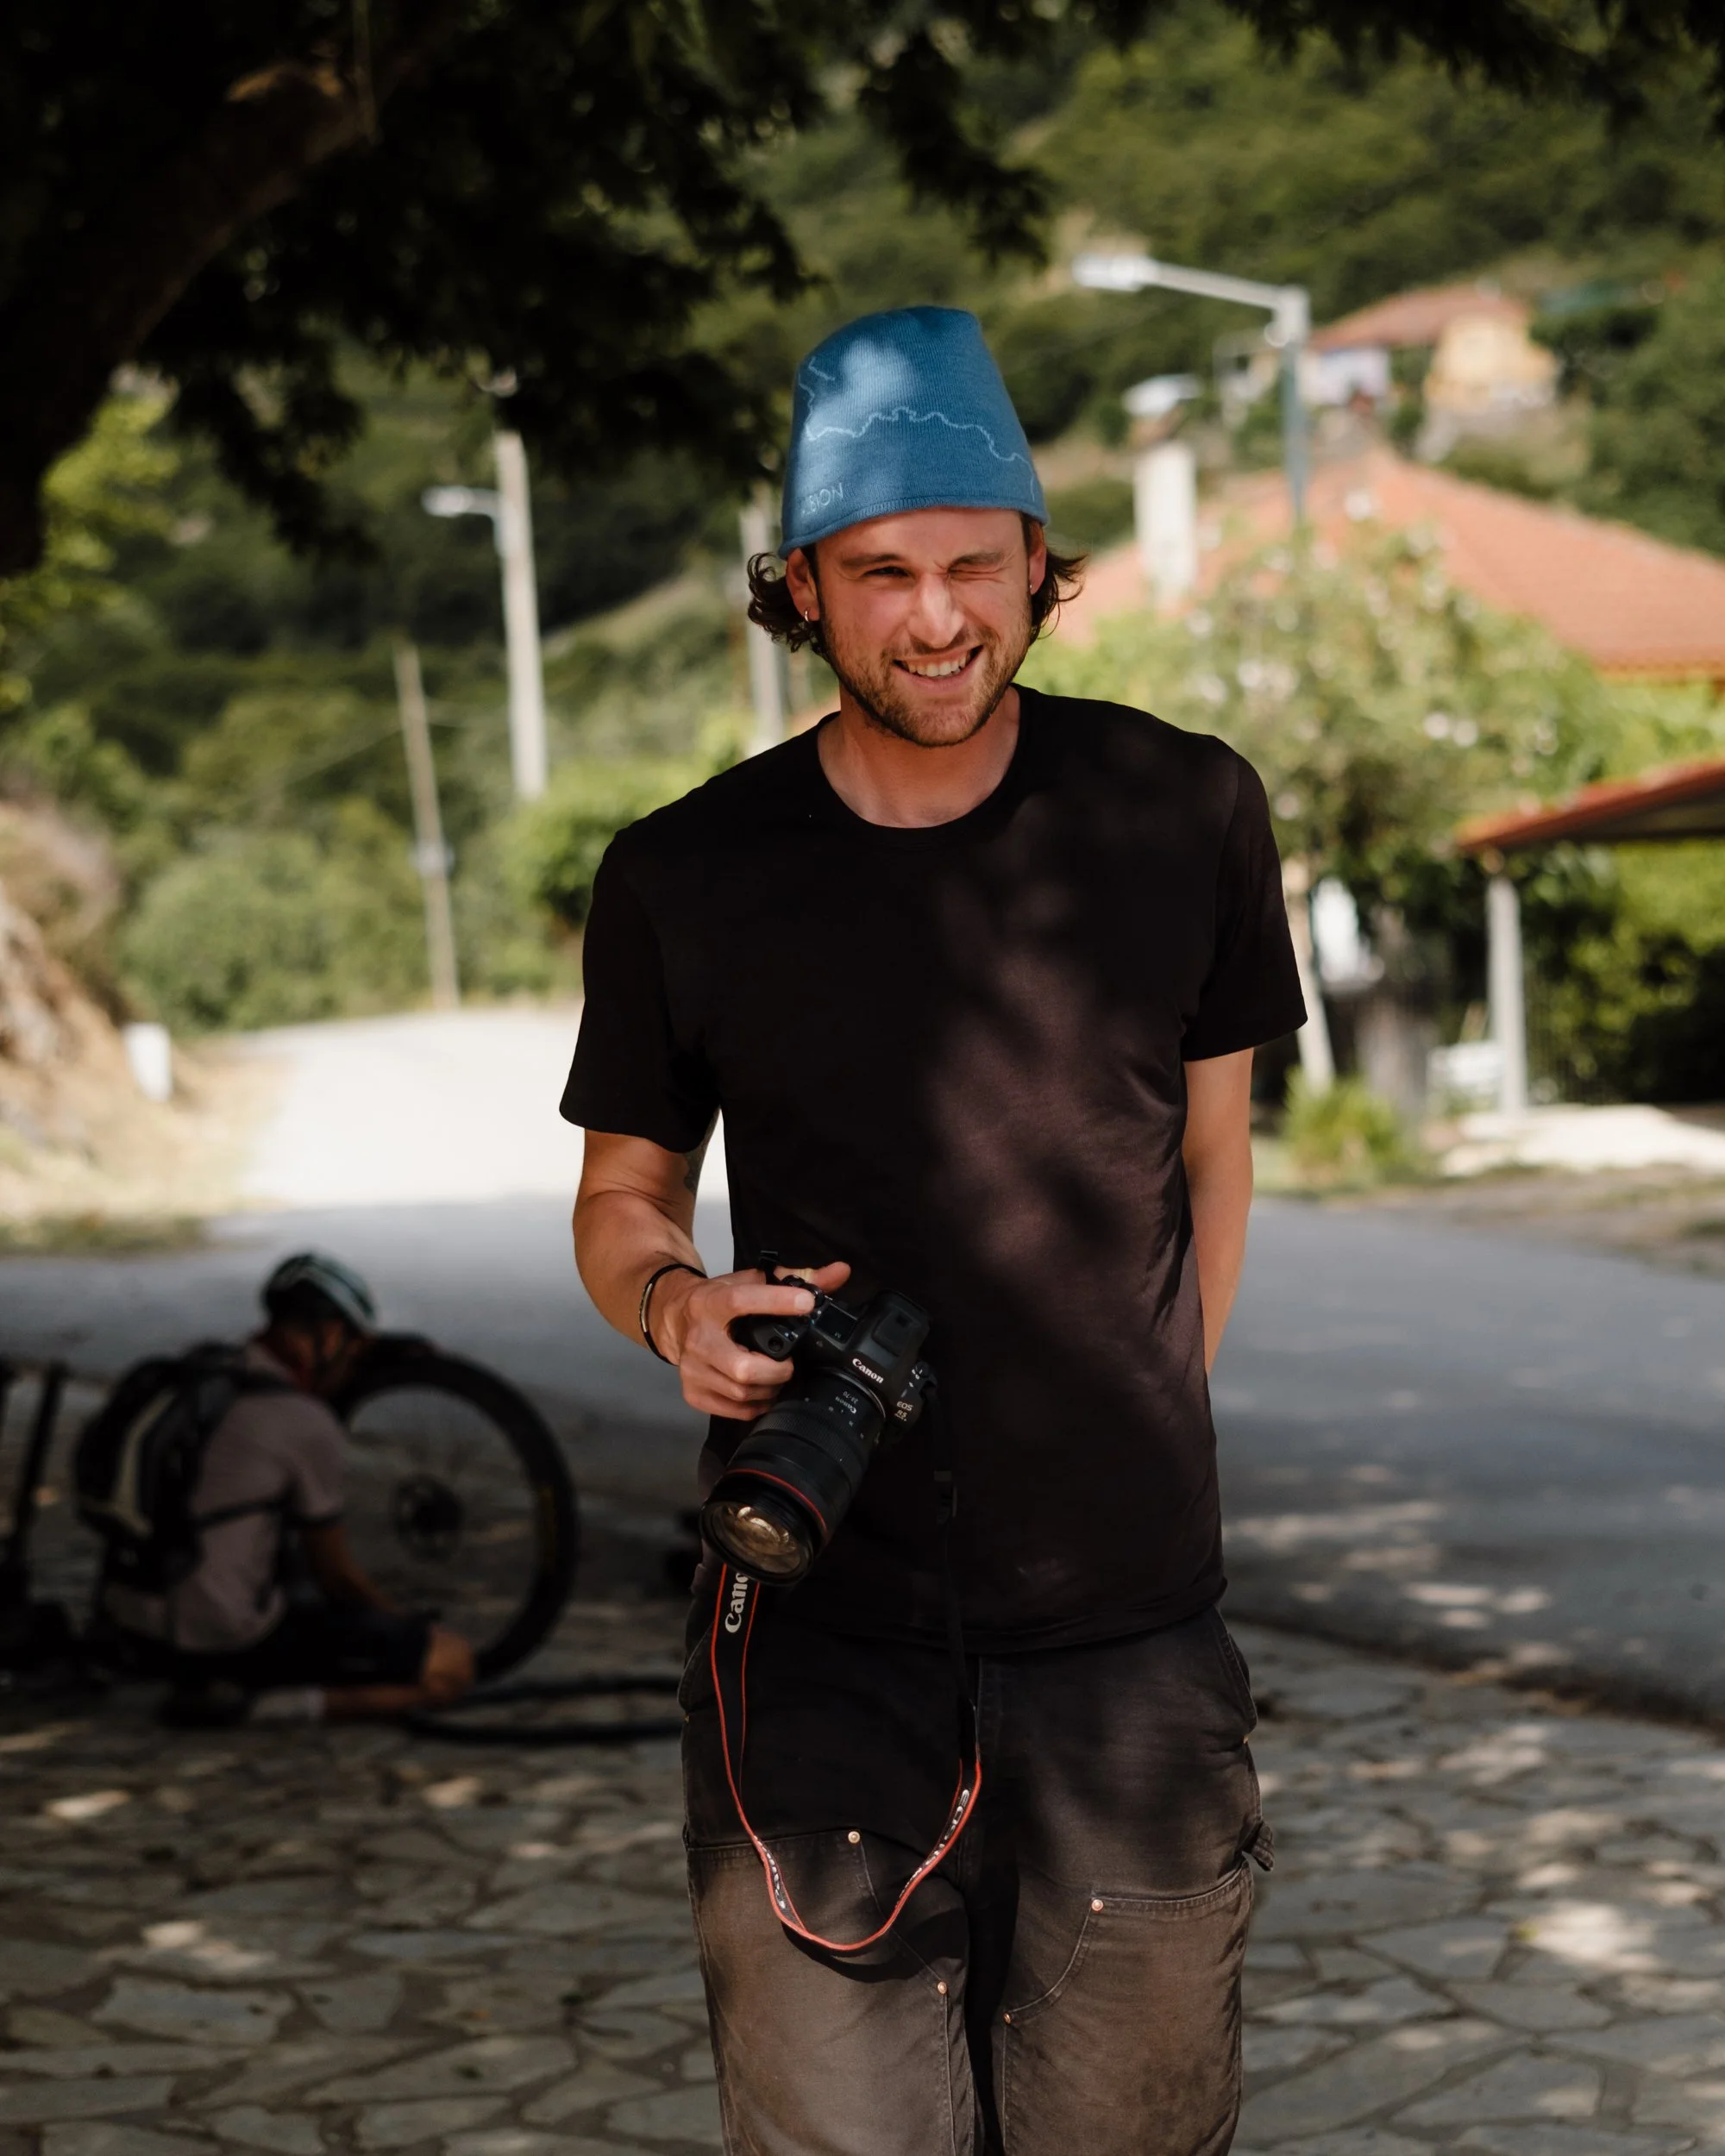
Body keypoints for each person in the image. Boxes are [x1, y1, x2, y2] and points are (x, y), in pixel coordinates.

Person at [566, 306, 1307, 2156]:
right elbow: (617, 1195)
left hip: (1131, 1658)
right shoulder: (683, 873)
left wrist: (1137, 1424)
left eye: (976, 559)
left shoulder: (1184, 810)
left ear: (1042, 567)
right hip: (813, 1646)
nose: (937, 611)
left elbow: (1212, 1163)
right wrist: (672, 1301)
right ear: (801, 588)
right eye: (882, 569)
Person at [97, 1251, 474, 1724]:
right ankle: (256, 1706)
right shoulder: (301, 1421)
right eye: (353, 1348)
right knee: (451, 1665)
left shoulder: (208, 1374)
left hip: (131, 1622)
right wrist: (403, 1625)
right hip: (222, 1637)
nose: (352, 1362)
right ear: (329, 1334)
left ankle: (231, 1684)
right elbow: (336, 1578)